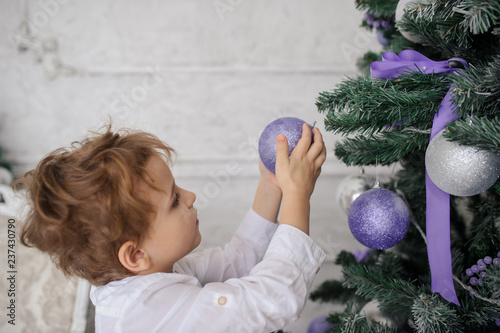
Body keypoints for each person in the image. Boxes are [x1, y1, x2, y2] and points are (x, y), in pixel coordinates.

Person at [16, 122, 327, 332]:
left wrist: (271, 185)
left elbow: (240, 259)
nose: (190, 197)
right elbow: (272, 300)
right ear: (135, 254)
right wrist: (298, 195)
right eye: (175, 200)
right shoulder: (149, 312)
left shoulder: (149, 277)